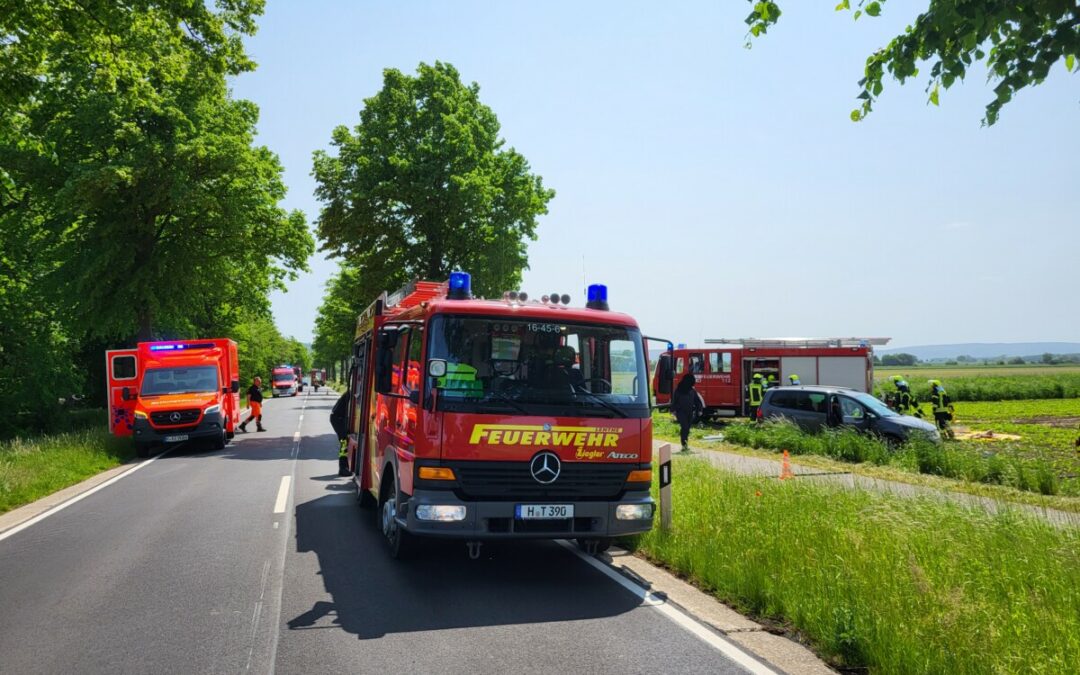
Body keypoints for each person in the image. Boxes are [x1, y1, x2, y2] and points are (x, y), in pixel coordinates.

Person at [671, 373, 704, 451]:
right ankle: (684, 445)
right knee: (685, 427)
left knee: (687, 428)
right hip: (680, 412)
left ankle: (685, 442)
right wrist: (673, 411)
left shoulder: (692, 391)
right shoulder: (678, 390)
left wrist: (700, 410)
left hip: (690, 412)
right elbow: (674, 401)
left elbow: (697, 401)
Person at [330, 387, 353, 476]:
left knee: (345, 441)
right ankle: (342, 468)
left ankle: (345, 467)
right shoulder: (352, 394)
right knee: (344, 442)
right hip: (337, 418)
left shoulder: (351, 392)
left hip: (338, 418)